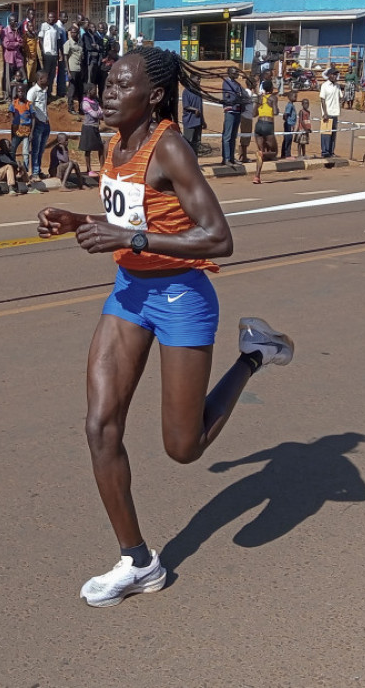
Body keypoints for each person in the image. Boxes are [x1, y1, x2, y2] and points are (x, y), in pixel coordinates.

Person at [35, 46, 294, 608]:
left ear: (152, 96)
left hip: (181, 297)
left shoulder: (169, 146)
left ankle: (254, 354)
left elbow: (219, 238)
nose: (106, 93)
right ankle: (138, 561)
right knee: (100, 427)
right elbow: (134, 219)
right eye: (105, 83)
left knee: (184, 447)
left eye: (120, 85)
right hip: (129, 292)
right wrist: (79, 221)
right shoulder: (115, 143)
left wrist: (131, 240)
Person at [252, 79, 278, 184]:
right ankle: (263, 154)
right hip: (268, 125)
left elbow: (254, 114)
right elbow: (275, 112)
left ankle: (257, 176)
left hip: (258, 124)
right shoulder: (273, 98)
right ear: (271, 88)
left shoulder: (259, 98)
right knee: (275, 152)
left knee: (261, 151)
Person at [26, 69, 50, 181]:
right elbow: (29, 110)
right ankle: (34, 173)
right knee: (35, 149)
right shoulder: (32, 92)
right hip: (37, 125)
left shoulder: (45, 91)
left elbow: (44, 107)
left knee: (41, 149)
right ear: (40, 79)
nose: (48, 80)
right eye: (46, 78)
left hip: (45, 123)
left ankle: (38, 170)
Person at [78, 82, 105, 176]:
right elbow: (95, 114)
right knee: (88, 149)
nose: (96, 91)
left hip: (95, 127)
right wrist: (99, 112)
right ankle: (89, 169)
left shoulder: (96, 101)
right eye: (94, 90)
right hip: (88, 128)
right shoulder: (85, 103)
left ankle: (102, 168)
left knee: (100, 148)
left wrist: (98, 112)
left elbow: (100, 113)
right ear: (89, 91)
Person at [220, 66, 245, 166]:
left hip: (237, 111)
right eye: (235, 73)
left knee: (233, 136)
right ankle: (226, 158)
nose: (237, 74)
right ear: (229, 73)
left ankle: (231, 157)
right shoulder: (226, 83)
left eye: (237, 73)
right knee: (227, 136)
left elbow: (241, 95)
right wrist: (239, 98)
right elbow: (231, 97)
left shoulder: (237, 84)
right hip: (230, 111)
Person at [9, 82, 33, 174]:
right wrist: (12, 132)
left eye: (22, 91)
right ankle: (13, 168)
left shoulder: (29, 104)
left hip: (27, 132)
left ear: (25, 92)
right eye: (18, 91)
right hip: (17, 131)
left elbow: (33, 118)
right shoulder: (14, 104)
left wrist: (32, 132)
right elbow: (12, 118)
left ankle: (25, 170)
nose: (20, 93)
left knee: (25, 152)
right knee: (12, 150)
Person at [319, 67, 342, 158]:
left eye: (336, 74)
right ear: (329, 75)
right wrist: (325, 113)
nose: (335, 76)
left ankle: (331, 152)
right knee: (326, 134)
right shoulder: (324, 86)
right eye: (333, 74)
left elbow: (340, 96)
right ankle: (325, 152)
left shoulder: (337, 86)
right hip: (327, 114)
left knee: (333, 134)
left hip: (335, 112)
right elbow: (322, 100)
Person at [0, 14, 24, 99]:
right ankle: (8, 96)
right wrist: (17, 43)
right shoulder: (5, 31)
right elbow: (7, 45)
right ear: (10, 21)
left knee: (21, 76)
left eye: (17, 21)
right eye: (14, 21)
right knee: (8, 79)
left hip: (17, 57)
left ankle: (18, 95)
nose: (16, 22)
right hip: (9, 58)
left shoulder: (16, 31)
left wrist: (16, 43)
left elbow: (21, 41)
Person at [63, 24, 84, 114]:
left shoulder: (80, 43)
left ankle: (81, 108)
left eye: (75, 32)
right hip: (72, 69)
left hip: (79, 68)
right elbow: (65, 57)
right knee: (72, 89)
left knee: (80, 89)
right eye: (71, 32)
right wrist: (68, 71)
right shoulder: (68, 43)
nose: (73, 34)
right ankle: (70, 108)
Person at [39, 11, 60, 100]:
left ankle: (49, 92)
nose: (51, 19)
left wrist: (58, 53)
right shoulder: (44, 26)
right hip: (46, 54)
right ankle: (43, 93)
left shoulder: (56, 27)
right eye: (50, 17)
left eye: (53, 17)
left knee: (52, 75)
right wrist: (43, 51)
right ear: (47, 17)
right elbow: (40, 39)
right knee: (45, 75)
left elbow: (58, 40)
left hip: (54, 54)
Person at [180, 82, 204, 157]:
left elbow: (201, 107)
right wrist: (195, 110)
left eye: (200, 79)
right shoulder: (186, 91)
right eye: (197, 79)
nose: (199, 80)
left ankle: (195, 162)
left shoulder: (198, 92)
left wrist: (203, 120)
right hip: (189, 121)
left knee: (196, 143)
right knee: (188, 143)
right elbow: (186, 106)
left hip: (198, 122)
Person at [238, 77, 256, 164]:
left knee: (245, 136)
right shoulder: (248, 93)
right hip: (246, 117)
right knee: (245, 136)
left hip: (246, 116)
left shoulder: (248, 93)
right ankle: (243, 156)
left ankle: (242, 155)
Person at [280, 90, 297, 160]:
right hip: (289, 124)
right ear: (289, 97)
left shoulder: (291, 105)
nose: (296, 97)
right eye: (294, 96)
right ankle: (287, 154)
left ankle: (283, 154)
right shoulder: (290, 105)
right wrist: (288, 122)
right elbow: (286, 114)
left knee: (286, 139)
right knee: (288, 139)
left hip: (290, 124)